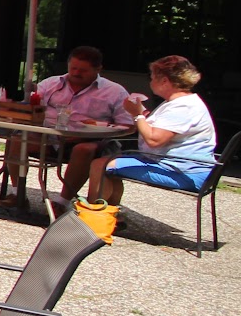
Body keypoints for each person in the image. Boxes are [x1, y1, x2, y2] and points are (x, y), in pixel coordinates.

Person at [81, 55, 219, 220]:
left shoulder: (183, 107)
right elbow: (161, 127)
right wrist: (141, 113)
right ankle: (109, 217)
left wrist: (137, 115)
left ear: (165, 81)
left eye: (153, 77)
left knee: (100, 165)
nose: (150, 81)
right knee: (110, 164)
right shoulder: (182, 102)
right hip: (180, 166)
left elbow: (154, 140)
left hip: (182, 172)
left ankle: (92, 218)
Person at [0, 44, 134, 211]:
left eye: (83, 70)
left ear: (98, 69)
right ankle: (17, 194)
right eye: (73, 68)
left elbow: (128, 126)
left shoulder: (114, 92)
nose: (76, 73)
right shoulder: (51, 83)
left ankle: (62, 202)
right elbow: (33, 108)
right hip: (48, 137)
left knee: (83, 149)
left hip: (89, 141)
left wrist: (92, 132)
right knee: (17, 140)